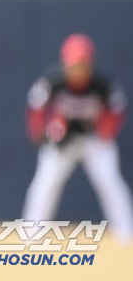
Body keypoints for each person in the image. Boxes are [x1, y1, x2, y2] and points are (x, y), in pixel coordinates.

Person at [22, 33, 133, 243]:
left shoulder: (102, 85)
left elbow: (118, 108)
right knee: (45, 183)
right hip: (62, 142)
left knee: (109, 182)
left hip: (94, 141)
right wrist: (39, 134)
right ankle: (31, 235)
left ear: (91, 63)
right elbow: (35, 107)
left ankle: (126, 233)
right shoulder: (52, 81)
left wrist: (106, 130)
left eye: (82, 64)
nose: (78, 69)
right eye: (74, 64)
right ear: (65, 62)